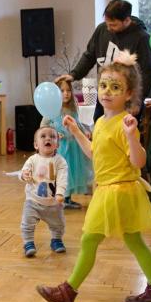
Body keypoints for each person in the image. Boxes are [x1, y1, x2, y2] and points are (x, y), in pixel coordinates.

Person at [37, 51, 151, 302]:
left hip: (118, 192)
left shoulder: (125, 123)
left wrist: (132, 135)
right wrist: (76, 131)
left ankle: (68, 291)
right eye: (103, 85)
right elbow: (94, 152)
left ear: (129, 94)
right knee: (133, 240)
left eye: (115, 87)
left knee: (89, 239)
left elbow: (139, 161)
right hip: (108, 190)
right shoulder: (100, 121)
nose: (107, 91)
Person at [60, 0, 151, 121]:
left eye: (113, 25)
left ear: (127, 20)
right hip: (104, 92)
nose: (109, 28)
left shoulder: (142, 38)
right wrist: (74, 74)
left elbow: (148, 73)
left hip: (127, 100)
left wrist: (137, 101)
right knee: (99, 126)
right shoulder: (101, 30)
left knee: (122, 130)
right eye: (107, 23)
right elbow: (89, 56)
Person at [20, 123, 68, 257]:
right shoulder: (32, 160)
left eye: (52, 137)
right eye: (43, 136)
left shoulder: (60, 161)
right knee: (27, 223)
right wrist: (24, 175)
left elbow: (62, 178)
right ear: (36, 145)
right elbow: (24, 172)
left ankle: (56, 240)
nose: (48, 139)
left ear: (57, 145)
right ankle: (28, 243)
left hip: (53, 202)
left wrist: (60, 193)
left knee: (58, 224)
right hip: (33, 200)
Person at [52, 77, 93, 209]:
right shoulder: (53, 109)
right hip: (62, 147)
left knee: (73, 173)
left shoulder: (73, 108)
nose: (66, 93)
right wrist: (54, 134)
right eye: (62, 90)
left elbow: (78, 123)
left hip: (73, 146)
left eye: (68, 90)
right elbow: (44, 125)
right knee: (64, 173)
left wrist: (84, 131)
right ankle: (62, 197)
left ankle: (68, 198)